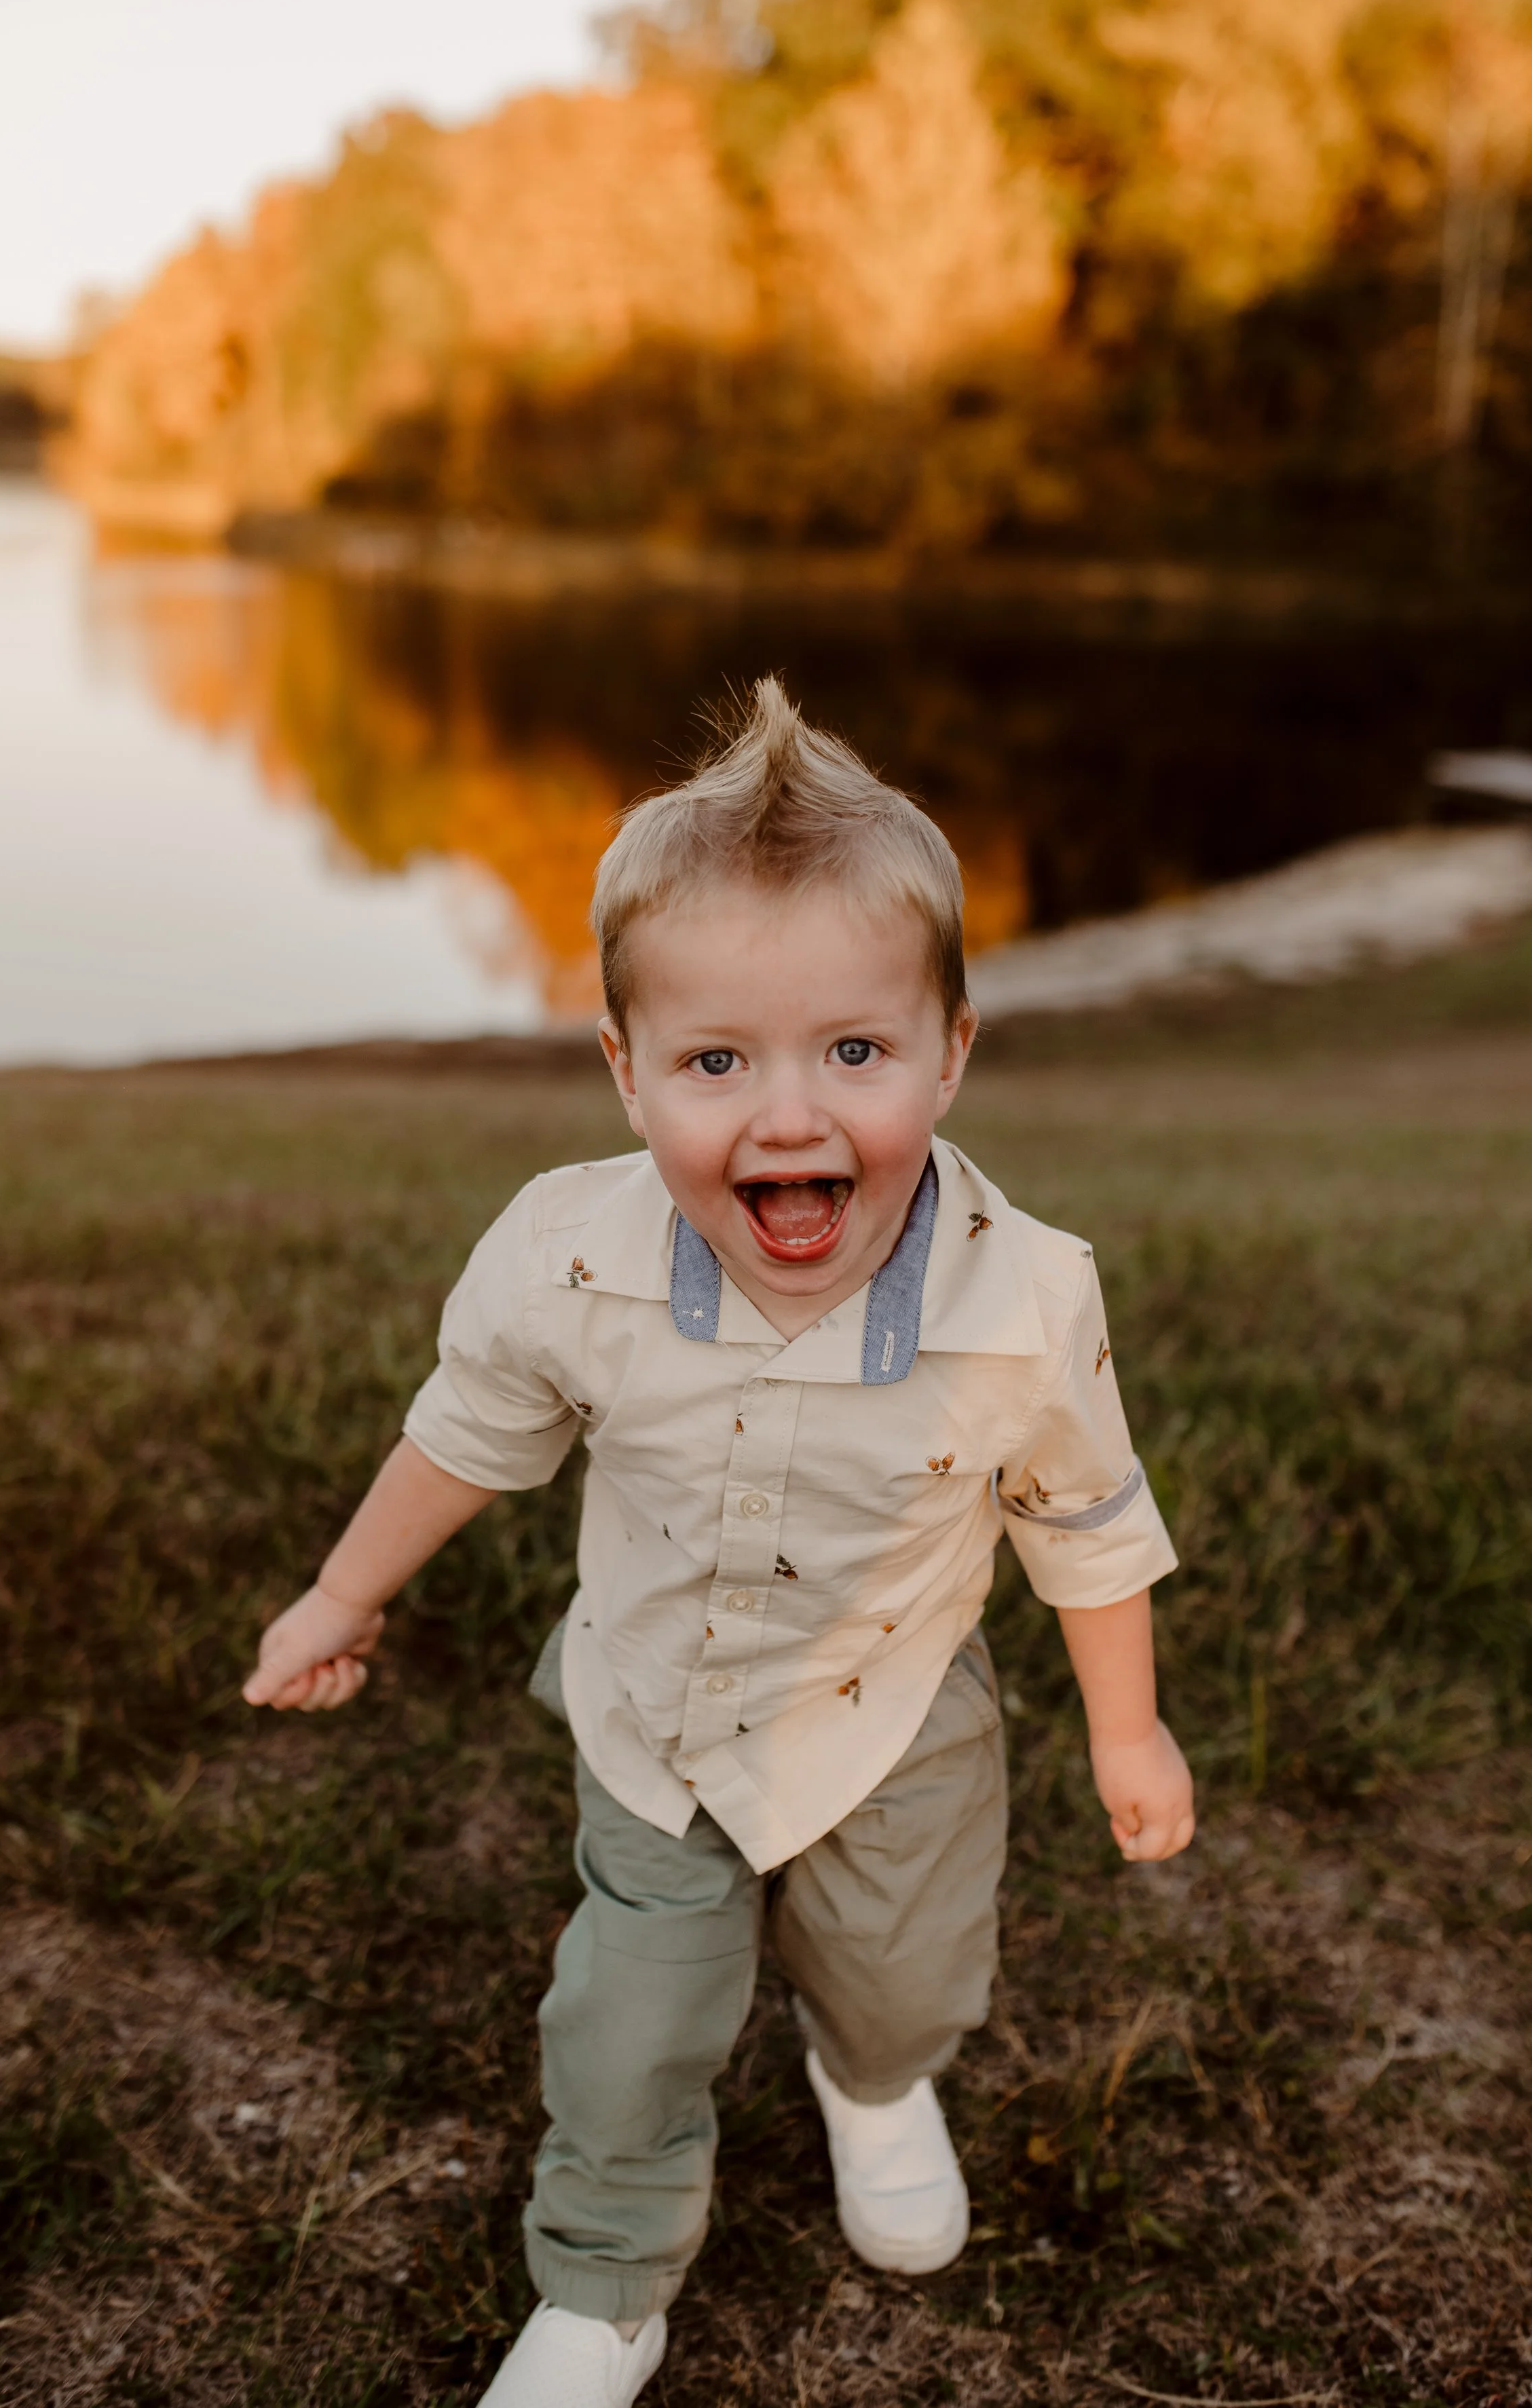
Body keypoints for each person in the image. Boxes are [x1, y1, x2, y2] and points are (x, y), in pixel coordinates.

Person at [244, 679, 1196, 2407]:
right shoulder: (563, 1260)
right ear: (622, 1074)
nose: (785, 1117)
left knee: (904, 1975)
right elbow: (466, 1438)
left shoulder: (1024, 1293)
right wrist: (339, 1593)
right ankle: (604, 2284)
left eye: (853, 1051)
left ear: (949, 1049)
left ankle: (873, 2083)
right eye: (712, 1061)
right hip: (654, 1708)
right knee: (629, 2015)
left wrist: (1122, 1729)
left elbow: (1083, 1520)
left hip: (889, 1708)